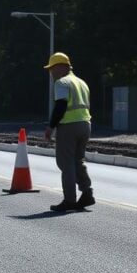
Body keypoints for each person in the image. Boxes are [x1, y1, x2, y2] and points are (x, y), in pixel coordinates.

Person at [43, 52, 95, 212]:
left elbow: (61, 106)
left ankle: (69, 200)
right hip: (85, 124)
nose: (51, 72)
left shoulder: (62, 82)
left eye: (52, 68)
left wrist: (51, 126)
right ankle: (87, 193)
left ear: (62, 67)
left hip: (69, 126)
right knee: (78, 161)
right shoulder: (81, 82)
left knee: (66, 163)